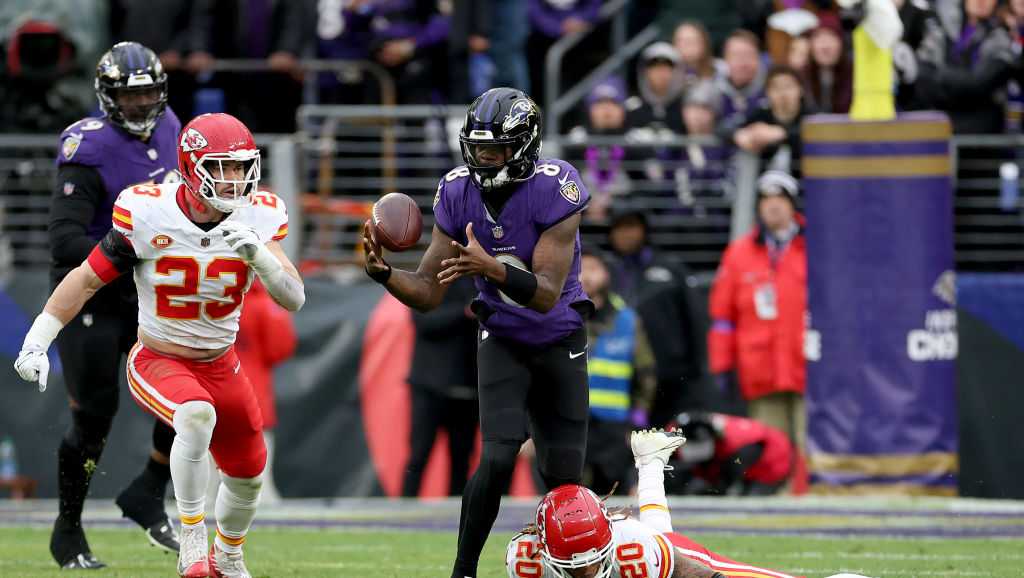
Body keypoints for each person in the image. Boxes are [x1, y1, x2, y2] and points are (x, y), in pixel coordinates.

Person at [15, 112, 305, 578]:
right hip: (158, 356)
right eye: (222, 168)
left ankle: (228, 556)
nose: (235, 180)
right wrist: (37, 339)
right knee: (195, 415)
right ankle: (192, 540)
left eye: (241, 167)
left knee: (249, 474)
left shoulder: (260, 214)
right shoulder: (150, 211)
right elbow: (87, 278)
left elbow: (293, 298)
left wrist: (260, 259)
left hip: (220, 361)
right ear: (191, 168)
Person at [362, 87, 593, 578]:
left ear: (525, 147)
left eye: (494, 151)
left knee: (565, 478)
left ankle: (569, 568)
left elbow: (548, 292)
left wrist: (492, 269)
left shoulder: (558, 186)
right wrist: (385, 273)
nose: (482, 160)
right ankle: (463, 571)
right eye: (477, 149)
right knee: (496, 456)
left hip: (559, 337)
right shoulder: (456, 190)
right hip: (504, 337)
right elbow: (426, 291)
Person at [43, 41, 182, 569]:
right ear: (107, 98)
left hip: (147, 295)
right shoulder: (89, 147)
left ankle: (148, 488)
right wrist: (134, 250)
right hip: (92, 293)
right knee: (94, 418)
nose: (143, 105)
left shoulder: (173, 128)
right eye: (131, 96)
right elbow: (62, 241)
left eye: (149, 93)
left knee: (188, 397)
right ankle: (68, 527)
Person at [505, 429, 868, 578]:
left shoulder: (634, 549)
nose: (585, 574)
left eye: (592, 562)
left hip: (671, 561)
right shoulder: (524, 560)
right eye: (574, 566)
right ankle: (650, 463)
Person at [708, 170, 806, 459]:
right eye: (765, 199)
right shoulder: (739, 253)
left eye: (780, 198)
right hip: (760, 368)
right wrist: (721, 365)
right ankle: (778, 502)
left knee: (810, 446)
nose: (773, 205)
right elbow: (723, 316)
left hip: (808, 366)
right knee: (771, 448)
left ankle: (810, 501)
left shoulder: (817, 246)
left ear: (792, 204)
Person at [579, 250, 657, 495]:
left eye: (593, 268)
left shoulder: (627, 320)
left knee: (615, 494)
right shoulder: (558, 314)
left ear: (606, 274)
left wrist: (638, 418)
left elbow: (646, 372)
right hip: (573, 421)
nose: (586, 276)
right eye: (580, 269)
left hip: (614, 424)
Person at [402, 276, 480, 498]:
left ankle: (457, 518)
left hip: (467, 388)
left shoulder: (482, 281)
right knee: (418, 456)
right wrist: (463, 313)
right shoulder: (430, 278)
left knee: (461, 459)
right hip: (431, 386)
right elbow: (424, 322)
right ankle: (402, 511)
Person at [234, 278, 297, 504]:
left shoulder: (211, 294)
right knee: (258, 467)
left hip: (213, 385)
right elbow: (280, 347)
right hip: (253, 387)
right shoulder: (263, 302)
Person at [667, 411, 794, 496]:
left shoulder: (739, 444)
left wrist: (719, 486)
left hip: (772, 461)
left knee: (749, 500)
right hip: (734, 457)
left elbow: (729, 476)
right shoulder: (671, 435)